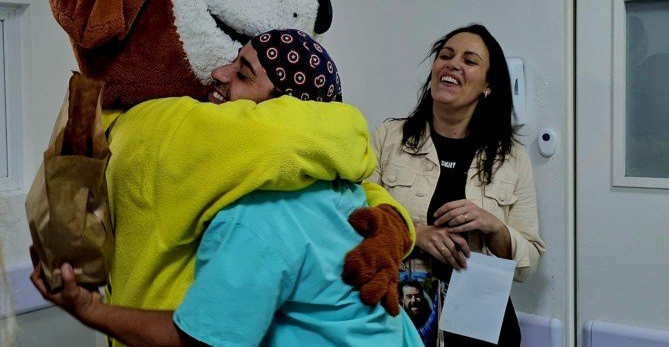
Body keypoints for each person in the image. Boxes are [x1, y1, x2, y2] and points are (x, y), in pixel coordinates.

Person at [32, 29, 421, 347]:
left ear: (287, 110)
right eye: (234, 59)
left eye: (244, 73)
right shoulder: (331, 183)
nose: (219, 72)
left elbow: (200, 340)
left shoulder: (261, 214)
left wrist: (88, 309)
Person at [367, 24, 545, 346]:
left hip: (481, 322)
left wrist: (495, 228)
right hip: (403, 317)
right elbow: (356, 219)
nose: (452, 64)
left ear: (488, 85)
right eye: (445, 56)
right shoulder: (388, 138)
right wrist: (414, 234)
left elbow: (528, 261)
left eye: (469, 60)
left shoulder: (513, 158)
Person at [399, 280, 437, 347]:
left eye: (417, 296)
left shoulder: (427, 314)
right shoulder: (397, 320)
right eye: (409, 296)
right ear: (402, 299)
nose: (414, 300)